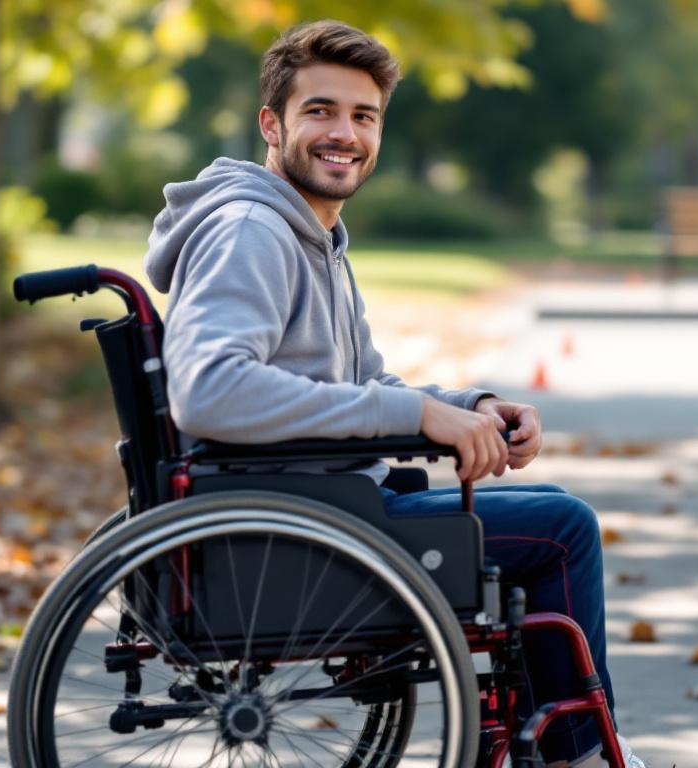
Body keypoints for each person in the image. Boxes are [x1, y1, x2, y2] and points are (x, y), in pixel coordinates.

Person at [143, 19, 645, 768]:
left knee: (546, 510)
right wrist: (413, 414)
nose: (344, 134)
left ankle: (553, 746)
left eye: (364, 116)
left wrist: (469, 407)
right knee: (561, 530)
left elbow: (366, 386)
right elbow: (209, 391)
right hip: (293, 531)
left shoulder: (311, 235)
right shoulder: (253, 231)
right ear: (272, 125)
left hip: (319, 507)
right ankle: (581, 758)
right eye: (320, 111)